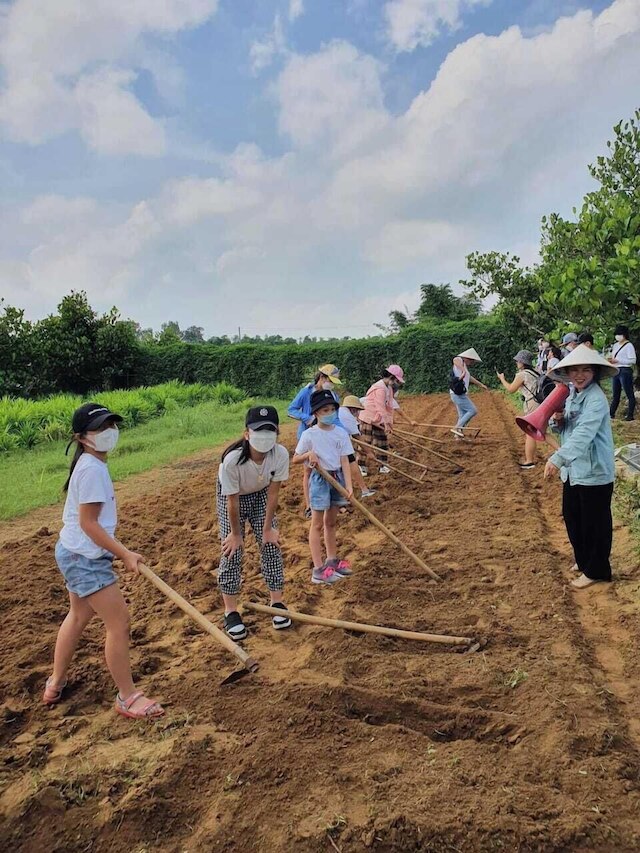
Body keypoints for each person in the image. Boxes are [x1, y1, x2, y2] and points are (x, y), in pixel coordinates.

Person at [43, 403, 164, 719]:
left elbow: (86, 524)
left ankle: (55, 682)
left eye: (111, 425)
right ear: (82, 437)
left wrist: (116, 551)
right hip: (84, 558)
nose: (109, 432)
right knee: (119, 622)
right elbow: (89, 524)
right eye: (99, 428)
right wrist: (124, 554)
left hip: (73, 551)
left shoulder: (89, 464)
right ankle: (127, 696)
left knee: (79, 615)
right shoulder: (92, 470)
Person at [544, 344, 618, 589]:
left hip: (594, 471)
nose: (580, 375)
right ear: (568, 374)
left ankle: (596, 570)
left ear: (594, 372)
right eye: (575, 370)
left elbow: (584, 433)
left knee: (594, 523)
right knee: (573, 517)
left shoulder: (596, 399)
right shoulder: (574, 395)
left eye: (586, 370)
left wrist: (557, 458)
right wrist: (559, 421)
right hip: (575, 470)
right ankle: (584, 560)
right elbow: (569, 429)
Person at [216, 406, 291, 641]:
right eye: (258, 430)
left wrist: (268, 528)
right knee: (232, 550)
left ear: (277, 433)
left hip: (261, 495)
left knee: (271, 545)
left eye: (270, 430)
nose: (264, 436)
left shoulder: (280, 455)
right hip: (233, 497)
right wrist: (236, 534)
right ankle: (231, 611)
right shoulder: (231, 462)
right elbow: (232, 502)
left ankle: (277, 603)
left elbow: (273, 494)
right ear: (247, 433)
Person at [293, 390, 354, 585]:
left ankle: (332, 560)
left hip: (337, 478)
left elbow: (345, 460)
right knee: (317, 524)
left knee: (331, 522)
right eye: (325, 410)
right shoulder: (309, 434)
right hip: (320, 479)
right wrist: (308, 455)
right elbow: (295, 458)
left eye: (332, 409)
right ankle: (318, 569)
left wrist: (349, 487)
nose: (330, 413)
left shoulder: (340, 433)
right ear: (316, 413)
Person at [288, 364, 342, 518]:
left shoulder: (332, 396)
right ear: (322, 377)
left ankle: (328, 503)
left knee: (329, 467)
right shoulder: (306, 392)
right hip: (308, 436)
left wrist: (345, 434)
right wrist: (308, 418)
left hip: (328, 436)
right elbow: (291, 410)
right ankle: (309, 506)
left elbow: (336, 418)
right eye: (329, 380)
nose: (331, 384)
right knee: (309, 471)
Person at [497, 350, 540, 469]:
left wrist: (502, 379)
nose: (517, 362)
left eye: (518, 360)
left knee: (530, 432)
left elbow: (511, 389)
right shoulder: (534, 372)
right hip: (539, 403)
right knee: (541, 432)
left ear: (522, 362)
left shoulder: (522, 374)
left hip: (531, 404)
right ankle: (560, 451)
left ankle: (529, 461)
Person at [358, 365, 406, 474]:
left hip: (378, 418)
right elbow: (380, 407)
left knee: (382, 441)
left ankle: (383, 465)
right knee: (366, 441)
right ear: (390, 377)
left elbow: (389, 407)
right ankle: (361, 465)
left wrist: (389, 423)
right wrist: (386, 422)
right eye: (395, 380)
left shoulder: (388, 388)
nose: (395, 383)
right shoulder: (379, 388)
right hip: (368, 417)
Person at [337, 395, 376, 499]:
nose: (358, 412)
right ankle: (364, 490)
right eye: (357, 410)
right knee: (352, 463)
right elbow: (358, 437)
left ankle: (343, 492)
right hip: (339, 443)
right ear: (353, 408)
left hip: (337, 442)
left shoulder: (340, 411)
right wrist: (369, 452)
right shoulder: (348, 416)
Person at [449, 348, 488, 438]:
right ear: (467, 358)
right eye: (472, 360)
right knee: (472, 410)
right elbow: (454, 360)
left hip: (459, 394)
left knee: (462, 415)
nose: (473, 363)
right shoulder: (459, 360)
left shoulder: (464, 367)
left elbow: (469, 378)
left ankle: (457, 436)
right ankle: (457, 428)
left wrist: (481, 385)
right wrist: (463, 370)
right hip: (457, 394)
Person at [608, 324, 636, 421]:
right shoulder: (615, 345)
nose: (617, 336)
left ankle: (630, 415)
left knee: (629, 393)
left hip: (625, 370)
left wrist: (619, 361)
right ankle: (611, 414)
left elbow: (632, 360)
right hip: (616, 370)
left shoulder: (629, 346)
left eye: (619, 334)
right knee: (615, 394)